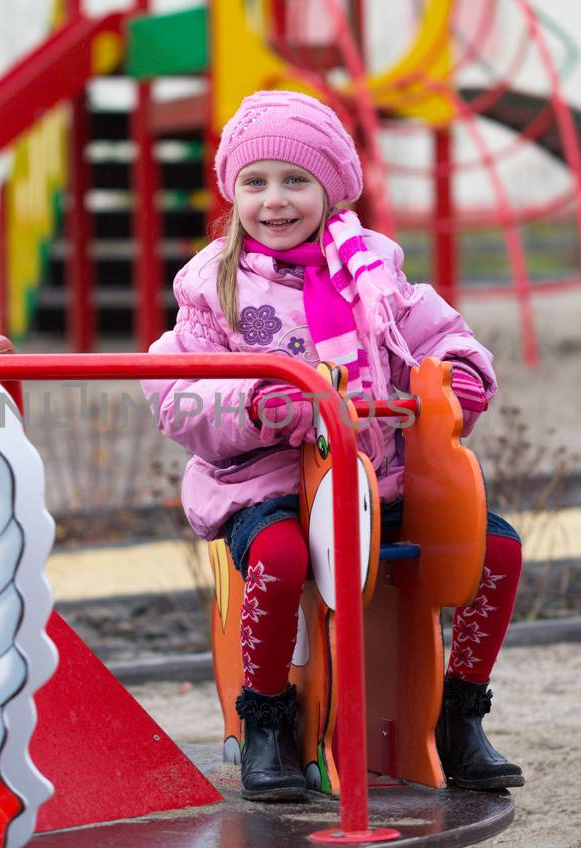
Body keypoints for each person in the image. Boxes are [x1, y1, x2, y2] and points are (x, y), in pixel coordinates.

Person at [141, 90, 525, 802]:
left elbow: (439, 335)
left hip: (377, 479)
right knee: (283, 555)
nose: (274, 201)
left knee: (494, 548)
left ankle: (459, 715)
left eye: (296, 181)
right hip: (268, 482)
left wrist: (461, 375)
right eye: (255, 183)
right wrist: (256, 405)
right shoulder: (213, 285)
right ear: (233, 192)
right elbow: (174, 392)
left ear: (331, 189)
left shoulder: (372, 272)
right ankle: (268, 720)